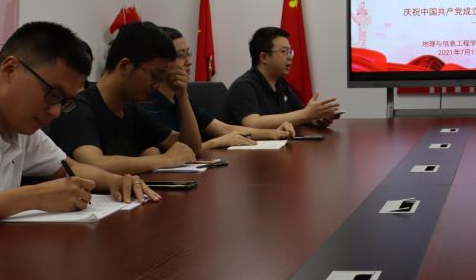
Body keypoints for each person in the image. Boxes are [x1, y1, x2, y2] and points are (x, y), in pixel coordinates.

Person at [0, 22, 160, 225]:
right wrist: (36, 196)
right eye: (53, 94)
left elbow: (69, 167)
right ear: (10, 69)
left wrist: (116, 181)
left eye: (65, 102)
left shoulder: (21, 128)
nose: (56, 112)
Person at [50, 22, 198, 174]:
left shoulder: (131, 109)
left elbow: (189, 148)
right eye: (154, 75)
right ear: (125, 66)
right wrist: (165, 160)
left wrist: (182, 97)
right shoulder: (79, 108)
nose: (157, 85)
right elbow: (93, 164)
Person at [140, 27, 294, 150]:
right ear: (161, 62)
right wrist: (217, 142)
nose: (189, 62)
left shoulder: (180, 98)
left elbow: (225, 129)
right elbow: (181, 150)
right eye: (181, 55)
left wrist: (273, 133)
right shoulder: (147, 103)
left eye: (188, 54)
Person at [224, 27, 340, 129]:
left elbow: (299, 114)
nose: (290, 57)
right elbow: (253, 123)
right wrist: (306, 114)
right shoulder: (243, 86)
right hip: (251, 147)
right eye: (284, 51)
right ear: (264, 57)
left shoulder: (280, 83)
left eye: (290, 52)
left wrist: (315, 119)